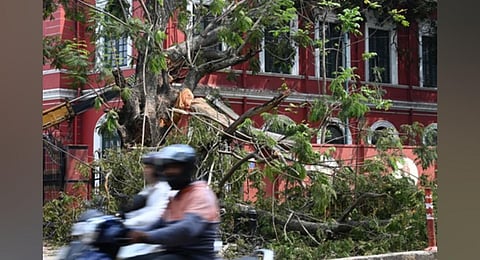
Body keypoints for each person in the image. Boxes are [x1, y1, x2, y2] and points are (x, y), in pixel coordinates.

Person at [125, 144, 221, 260]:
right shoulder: (176, 197)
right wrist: (127, 234)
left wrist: (145, 236)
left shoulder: (201, 194)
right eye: (166, 168)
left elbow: (186, 230)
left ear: (187, 168)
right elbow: (158, 225)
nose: (168, 172)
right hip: (172, 255)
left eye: (174, 167)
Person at [117, 152, 174, 260]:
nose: (145, 170)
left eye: (149, 167)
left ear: (157, 170)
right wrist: (121, 215)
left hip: (153, 241)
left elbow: (154, 215)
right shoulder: (150, 188)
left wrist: (128, 223)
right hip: (143, 234)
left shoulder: (163, 189)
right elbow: (135, 205)